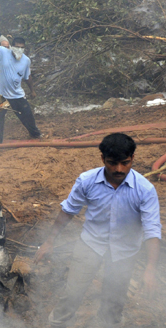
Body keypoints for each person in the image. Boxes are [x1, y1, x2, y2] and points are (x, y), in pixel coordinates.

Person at [35, 133, 161, 327]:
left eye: (125, 163)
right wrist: (49, 241)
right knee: (72, 294)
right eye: (112, 163)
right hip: (90, 246)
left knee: (114, 302)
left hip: (125, 253)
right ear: (103, 159)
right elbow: (68, 211)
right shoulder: (87, 181)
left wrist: (150, 268)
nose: (119, 169)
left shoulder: (145, 190)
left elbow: (152, 229)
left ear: (132, 158)